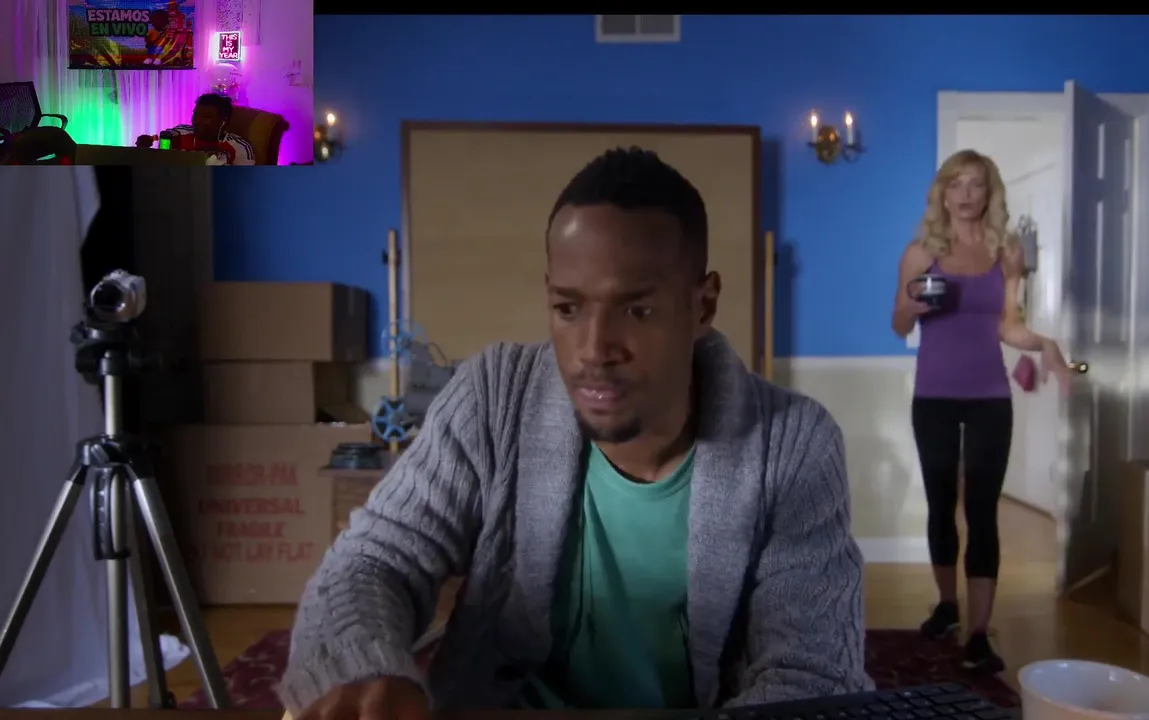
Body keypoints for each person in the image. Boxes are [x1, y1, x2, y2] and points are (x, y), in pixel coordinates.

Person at [279, 147, 871, 717]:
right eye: (568, 309)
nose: (593, 350)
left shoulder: (793, 445)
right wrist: (363, 669)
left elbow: (813, 676)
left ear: (703, 305)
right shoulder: (492, 397)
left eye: (637, 310)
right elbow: (377, 559)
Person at [890, 149, 1072, 674]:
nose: (967, 194)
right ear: (943, 194)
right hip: (934, 397)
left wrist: (1046, 345)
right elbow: (899, 324)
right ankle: (947, 605)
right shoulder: (920, 252)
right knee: (941, 502)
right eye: (957, 184)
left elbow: (1007, 325)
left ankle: (978, 633)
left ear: (989, 193)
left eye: (976, 184)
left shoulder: (1006, 252)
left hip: (991, 395)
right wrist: (911, 308)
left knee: (983, 508)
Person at [134, 94, 255, 165]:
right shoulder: (181, 132)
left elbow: (244, 184)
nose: (196, 120)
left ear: (223, 121)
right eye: (195, 114)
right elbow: (164, 143)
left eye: (206, 117)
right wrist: (145, 147)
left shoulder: (239, 147)